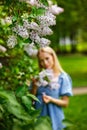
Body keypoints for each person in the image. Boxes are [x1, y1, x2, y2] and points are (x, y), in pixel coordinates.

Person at [30, 46, 73, 130]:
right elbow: (31, 102)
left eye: (47, 58)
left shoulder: (62, 78)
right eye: (41, 61)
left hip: (55, 117)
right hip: (39, 117)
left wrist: (51, 99)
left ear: (53, 57)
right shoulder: (38, 77)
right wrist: (34, 87)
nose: (45, 63)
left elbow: (65, 103)